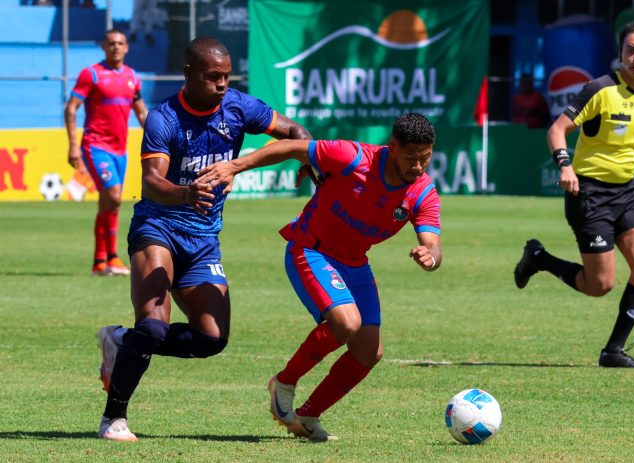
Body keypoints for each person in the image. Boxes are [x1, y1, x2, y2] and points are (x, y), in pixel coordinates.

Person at [95, 37, 311, 442]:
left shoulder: (239, 107)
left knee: (212, 339)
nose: (222, 84)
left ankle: (121, 340)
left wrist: (308, 157)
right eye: (213, 76)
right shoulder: (164, 119)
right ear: (189, 73)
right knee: (155, 327)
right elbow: (152, 182)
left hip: (204, 240)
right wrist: (185, 192)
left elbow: (293, 129)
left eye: (227, 76)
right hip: (157, 228)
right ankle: (114, 419)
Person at [198, 112, 442, 441]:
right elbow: (290, 147)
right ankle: (283, 383)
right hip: (311, 250)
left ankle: (309, 415)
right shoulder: (352, 157)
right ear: (392, 146)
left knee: (369, 351)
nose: (418, 167)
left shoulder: (423, 192)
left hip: (354, 264)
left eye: (425, 159)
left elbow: (434, 245)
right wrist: (234, 167)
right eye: (411, 158)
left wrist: (430, 257)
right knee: (346, 323)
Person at [514, 22, 634, 368]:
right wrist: (565, 166)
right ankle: (539, 258)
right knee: (599, 285)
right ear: (620, 54)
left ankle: (613, 351)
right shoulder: (600, 90)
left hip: (629, 194)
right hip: (589, 193)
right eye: (630, 50)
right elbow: (557, 130)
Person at [64, 29, 148, 276]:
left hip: (120, 150)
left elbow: (141, 111)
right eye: (111, 43)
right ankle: (113, 257)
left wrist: (159, 138)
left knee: (110, 204)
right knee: (114, 196)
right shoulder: (91, 74)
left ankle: (99, 261)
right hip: (95, 145)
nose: (116, 47)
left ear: (127, 47)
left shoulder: (132, 76)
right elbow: (71, 108)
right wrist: (72, 144)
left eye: (120, 43)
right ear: (103, 46)